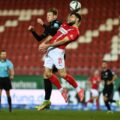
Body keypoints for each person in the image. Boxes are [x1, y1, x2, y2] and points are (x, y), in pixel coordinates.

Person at [37, 12, 84, 111]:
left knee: (62, 74)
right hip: (50, 49)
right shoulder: (65, 24)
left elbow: (63, 41)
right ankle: (62, 91)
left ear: (77, 20)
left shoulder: (76, 31)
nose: (69, 17)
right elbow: (54, 34)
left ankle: (79, 89)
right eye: (69, 16)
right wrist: (45, 43)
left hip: (58, 51)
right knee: (47, 74)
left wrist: (48, 45)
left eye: (72, 17)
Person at [28, 8, 61, 109]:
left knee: (55, 74)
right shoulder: (50, 26)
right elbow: (39, 38)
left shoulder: (57, 23)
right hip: (51, 53)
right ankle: (46, 101)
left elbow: (53, 32)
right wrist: (33, 31)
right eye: (47, 15)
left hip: (58, 52)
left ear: (55, 16)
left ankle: (62, 90)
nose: (48, 17)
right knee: (46, 75)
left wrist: (43, 25)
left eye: (50, 15)